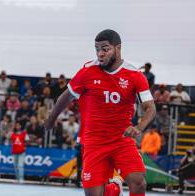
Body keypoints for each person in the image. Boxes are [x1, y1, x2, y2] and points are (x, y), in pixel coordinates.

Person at [44, 29, 156, 196]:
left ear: (118, 48)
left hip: (121, 140)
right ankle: (115, 188)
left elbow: (150, 108)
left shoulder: (135, 75)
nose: (100, 54)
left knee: (138, 182)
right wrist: (51, 119)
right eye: (97, 49)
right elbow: (65, 98)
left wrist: (139, 127)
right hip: (93, 142)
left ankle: (115, 186)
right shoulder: (87, 71)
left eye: (105, 49)